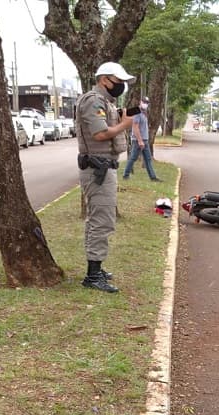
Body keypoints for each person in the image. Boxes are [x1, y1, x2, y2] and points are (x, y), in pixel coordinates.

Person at [74, 61, 136, 293]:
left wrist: (130, 114)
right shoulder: (93, 101)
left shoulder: (105, 102)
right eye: (119, 82)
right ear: (104, 80)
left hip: (103, 167)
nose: (121, 86)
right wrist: (125, 125)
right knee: (102, 221)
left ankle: (96, 268)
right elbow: (100, 134)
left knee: (97, 219)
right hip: (97, 169)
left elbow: (111, 118)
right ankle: (92, 276)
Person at [122, 96, 161, 182]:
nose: (145, 104)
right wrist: (140, 141)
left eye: (147, 103)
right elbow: (135, 127)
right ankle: (126, 175)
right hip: (138, 140)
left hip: (145, 140)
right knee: (133, 158)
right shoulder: (137, 113)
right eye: (144, 102)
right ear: (140, 102)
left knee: (148, 159)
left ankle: (153, 177)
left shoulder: (144, 113)